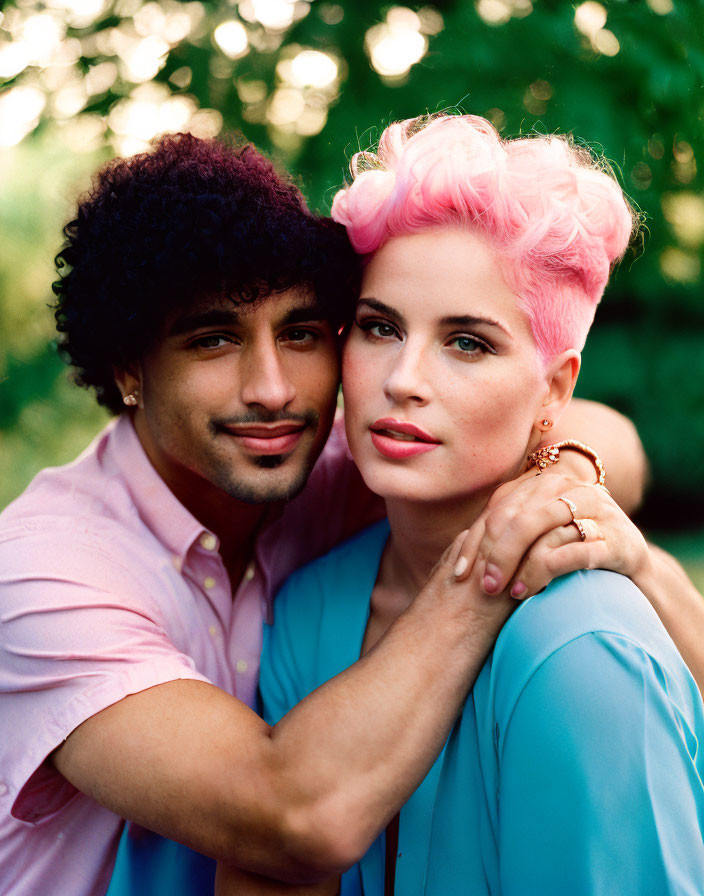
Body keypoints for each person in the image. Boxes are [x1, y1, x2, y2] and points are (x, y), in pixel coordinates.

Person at [0, 131, 686, 896]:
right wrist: (491, 562)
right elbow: (287, 816)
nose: (272, 389)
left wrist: (563, 475)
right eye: (213, 339)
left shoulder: (342, 460)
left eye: (300, 333)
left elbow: (604, 435)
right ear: (128, 366)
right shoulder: (41, 574)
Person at [218, 115, 704, 894]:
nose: (403, 378)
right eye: (380, 328)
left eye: (467, 342)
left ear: (555, 387)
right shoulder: (308, 607)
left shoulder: (582, 650)